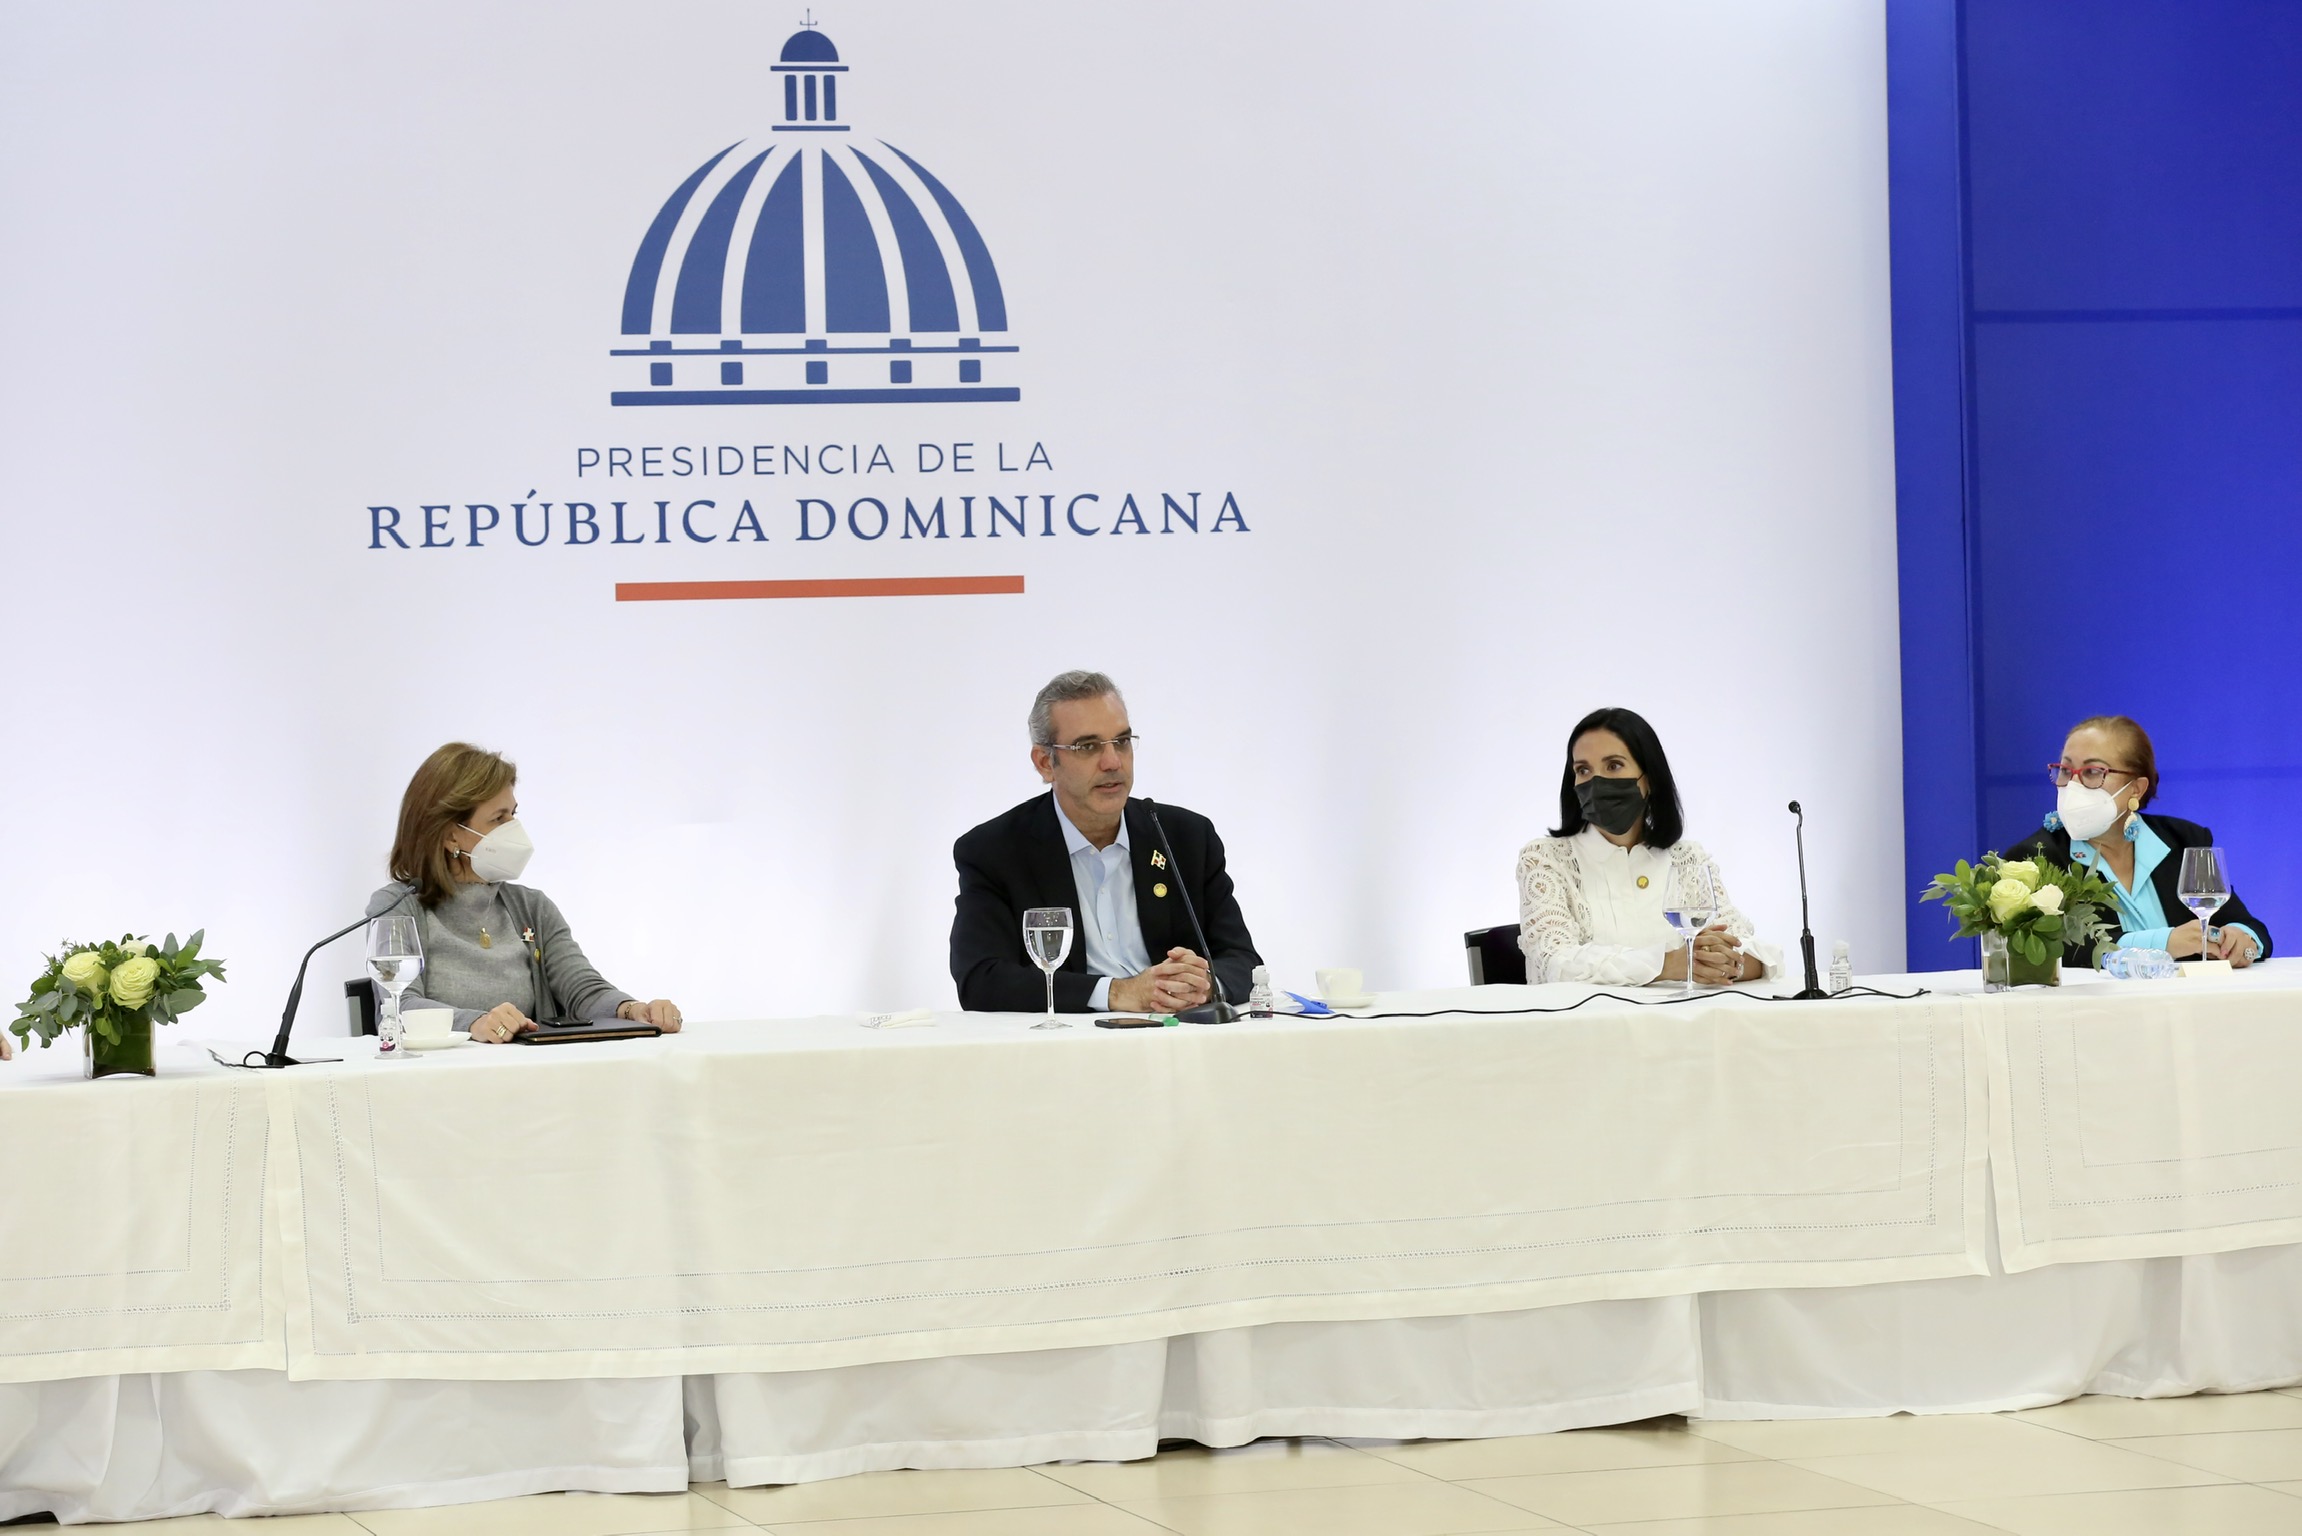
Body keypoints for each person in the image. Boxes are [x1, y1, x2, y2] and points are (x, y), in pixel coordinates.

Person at [951, 671, 1261, 1013]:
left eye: (1122, 741)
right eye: (1088, 747)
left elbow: (1243, 960)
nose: (1113, 762)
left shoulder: (1185, 837)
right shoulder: (994, 851)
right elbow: (980, 979)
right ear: (1045, 763)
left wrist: (1205, 984)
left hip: (1176, 1033)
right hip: (1071, 1038)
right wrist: (1115, 993)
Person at [366, 743, 682, 1043]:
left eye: (513, 815)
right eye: (498, 818)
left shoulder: (533, 907)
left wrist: (632, 1009)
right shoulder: (397, 907)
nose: (514, 829)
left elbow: (582, 990)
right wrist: (475, 1023)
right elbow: (401, 1004)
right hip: (439, 1075)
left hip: (527, 1074)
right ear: (451, 837)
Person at [1517, 707, 1784, 987]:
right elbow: (1557, 963)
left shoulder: (1686, 859)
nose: (1596, 782)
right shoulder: (1546, 859)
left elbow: (1751, 951)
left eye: (1613, 765)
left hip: (1680, 1015)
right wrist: (1670, 964)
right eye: (1583, 770)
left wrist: (1722, 962)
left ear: (1649, 777)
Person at [2008, 715, 2270, 967]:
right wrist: (2163, 943)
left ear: (2136, 788)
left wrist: (2242, 940)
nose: (2073, 784)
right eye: (2066, 770)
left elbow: (2248, 926)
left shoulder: (2183, 841)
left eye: (2092, 771)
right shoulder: (2033, 859)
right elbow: (2048, 949)